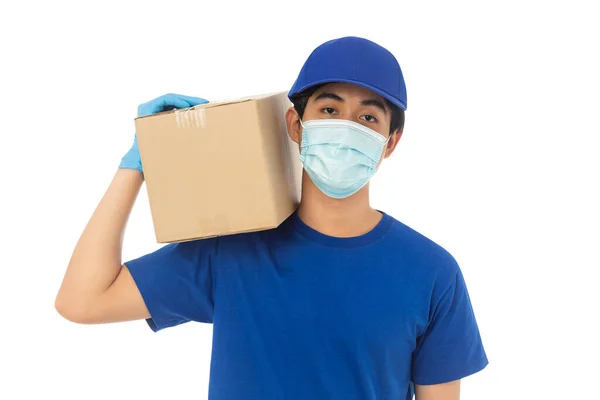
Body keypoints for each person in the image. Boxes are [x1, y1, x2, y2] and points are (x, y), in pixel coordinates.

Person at [55, 36, 488, 400]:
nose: (346, 128)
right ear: (296, 126)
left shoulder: (432, 273)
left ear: (390, 142)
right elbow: (82, 300)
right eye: (330, 110)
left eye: (368, 117)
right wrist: (137, 164)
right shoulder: (233, 250)